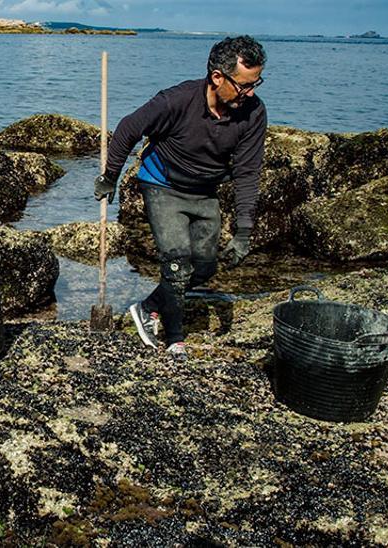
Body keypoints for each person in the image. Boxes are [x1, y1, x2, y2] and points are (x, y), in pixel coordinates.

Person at [94, 35, 267, 360]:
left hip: (204, 192)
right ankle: (175, 340)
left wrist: (244, 230)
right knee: (176, 263)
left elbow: (247, 172)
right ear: (218, 77)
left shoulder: (253, 113)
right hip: (162, 185)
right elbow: (129, 128)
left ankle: (147, 308)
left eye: (256, 83)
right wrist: (109, 178)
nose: (251, 93)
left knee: (203, 267)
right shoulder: (176, 100)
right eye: (245, 85)